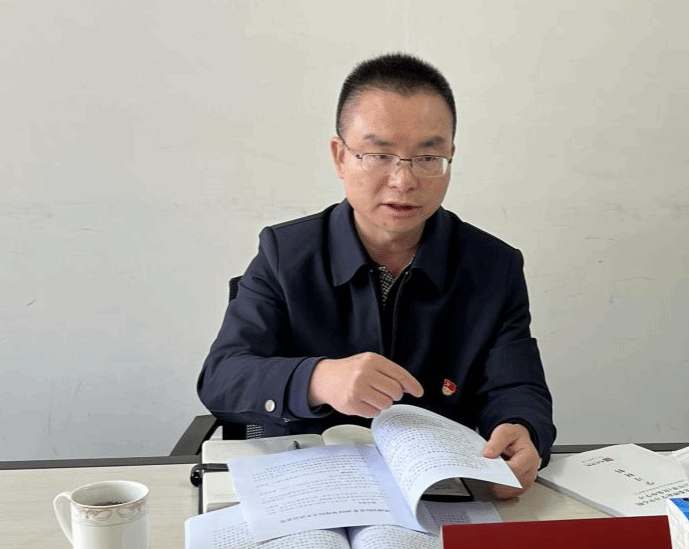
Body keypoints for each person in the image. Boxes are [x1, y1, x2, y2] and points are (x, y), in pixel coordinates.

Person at [197, 52, 555, 499]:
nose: (403, 181)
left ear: (450, 158)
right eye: (380, 154)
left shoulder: (493, 266)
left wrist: (522, 429)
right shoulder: (285, 254)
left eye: (428, 157)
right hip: (309, 490)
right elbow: (223, 376)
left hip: (438, 494)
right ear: (340, 157)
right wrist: (318, 378)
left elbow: (516, 385)